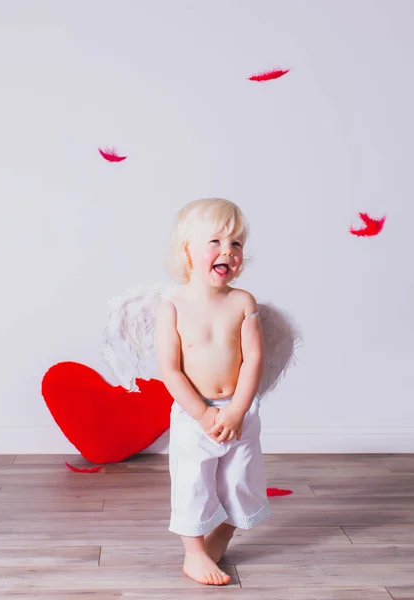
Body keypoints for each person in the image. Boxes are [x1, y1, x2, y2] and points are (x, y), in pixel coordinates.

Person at [155, 197, 270, 586]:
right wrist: (203, 415)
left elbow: (253, 360)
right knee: (193, 479)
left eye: (236, 244)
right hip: (195, 412)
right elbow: (169, 370)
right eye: (216, 241)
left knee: (240, 477)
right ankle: (193, 553)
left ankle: (221, 534)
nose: (228, 251)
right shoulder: (172, 305)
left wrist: (238, 410)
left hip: (238, 409)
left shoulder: (242, 302)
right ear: (187, 250)